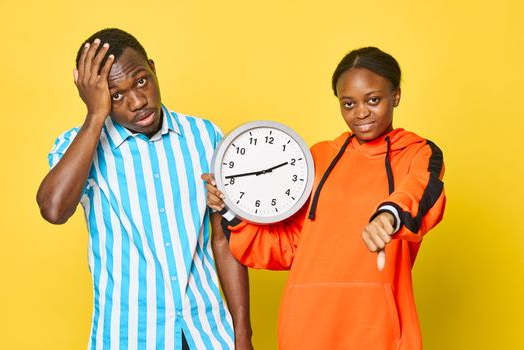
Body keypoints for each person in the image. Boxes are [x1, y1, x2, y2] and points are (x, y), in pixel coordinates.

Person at [203, 47, 446, 349]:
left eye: (373, 100)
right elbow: (289, 246)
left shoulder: (417, 152)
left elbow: (421, 192)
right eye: (348, 104)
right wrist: (230, 209)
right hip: (305, 325)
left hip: (377, 325)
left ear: (395, 95)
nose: (360, 113)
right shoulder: (316, 158)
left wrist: (389, 214)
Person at [36, 28, 253, 350]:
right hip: (130, 336)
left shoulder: (204, 136)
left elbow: (224, 239)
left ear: (152, 67)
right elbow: (53, 210)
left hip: (208, 331)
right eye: (116, 95)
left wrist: (242, 334)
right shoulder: (77, 146)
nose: (138, 101)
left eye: (141, 81)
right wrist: (96, 115)